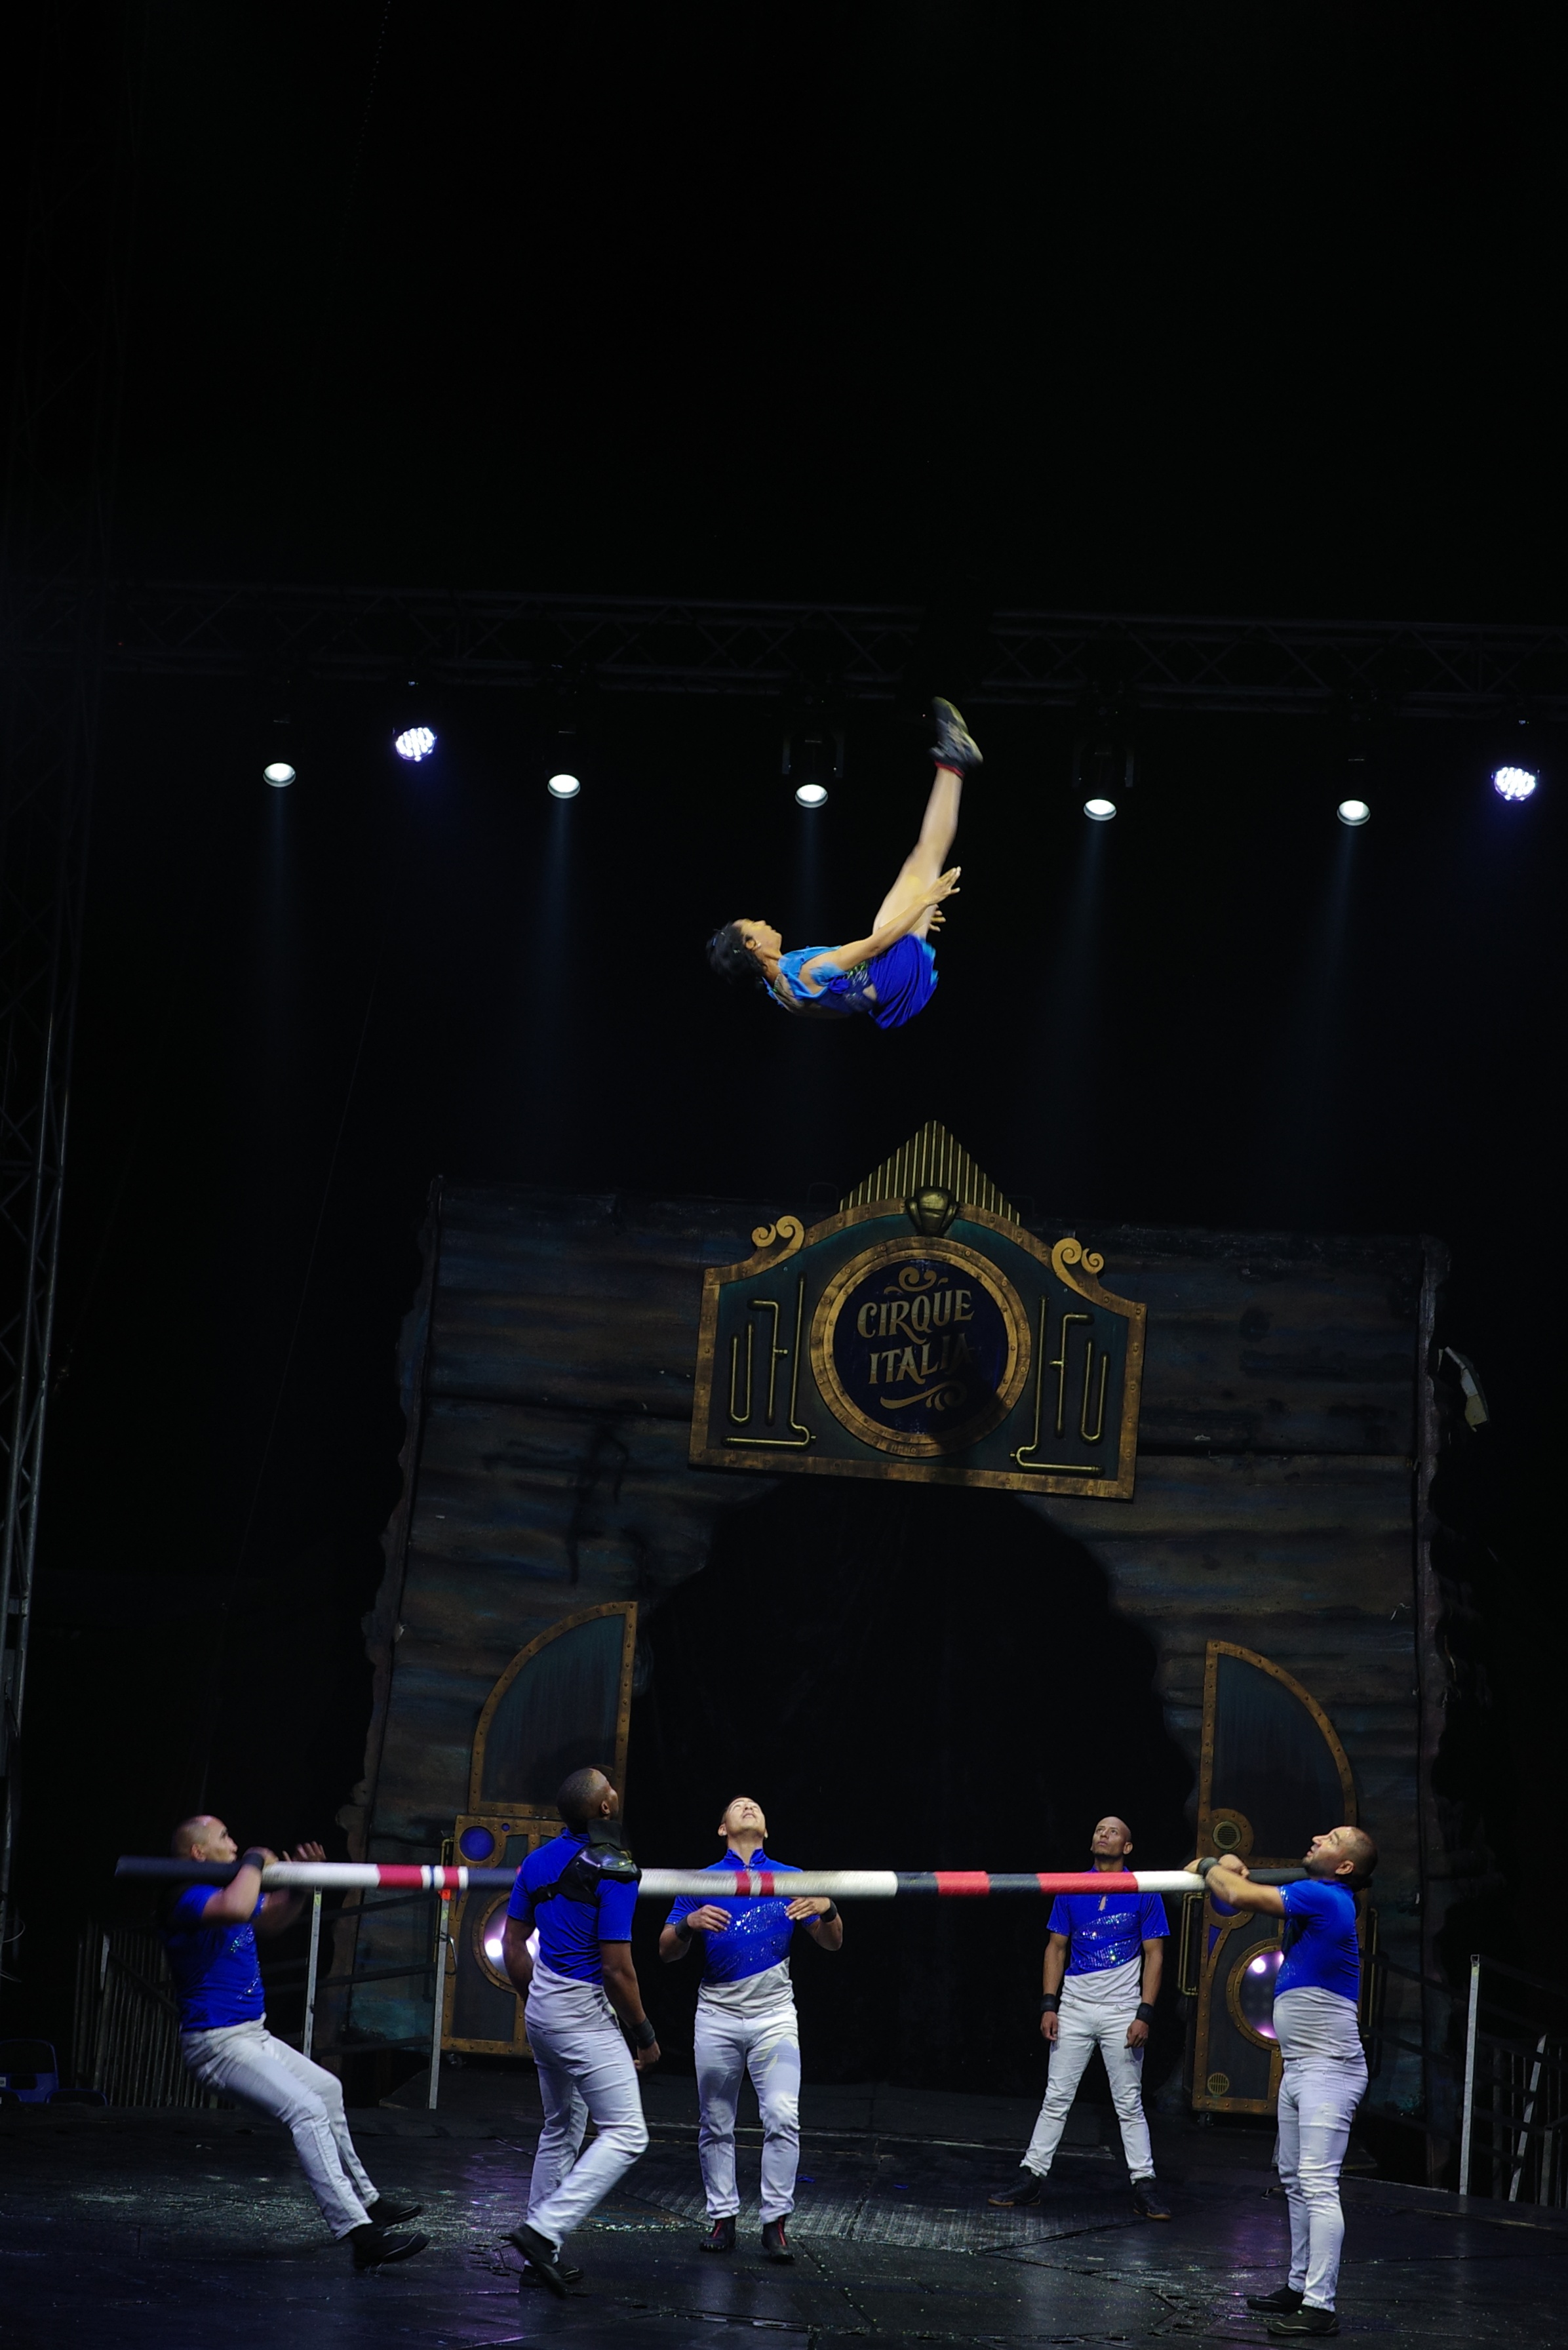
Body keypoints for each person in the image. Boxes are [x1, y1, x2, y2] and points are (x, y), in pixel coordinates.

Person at [159, 1816, 428, 2269]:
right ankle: (360, 2234)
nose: (235, 1842)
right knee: (305, 2111)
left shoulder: (226, 1890)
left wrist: (300, 1885)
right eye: (225, 1837)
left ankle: (369, 2200)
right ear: (199, 1853)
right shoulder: (185, 1897)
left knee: (328, 2090)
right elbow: (239, 1907)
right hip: (216, 2043)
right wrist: (255, 1860)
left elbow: (270, 1918)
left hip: (252, 2034)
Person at [1186, 1825, 1378, 2340]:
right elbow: (1234, 1890)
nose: (1315, 1837)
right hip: (1302, 2067)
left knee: (1317, 2184)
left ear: (1345, 1867)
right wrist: (1225, 1869)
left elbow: (1235, 1896)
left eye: (1331, 1838)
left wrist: (1212, 1865)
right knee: (1294, 2180)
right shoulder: (1318, 1895)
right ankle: (1298, 2285)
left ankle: (1320, 2306)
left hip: (1329, 2070)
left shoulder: (1326, 1897)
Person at [705, 698, 981, 1029]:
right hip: (888, 968)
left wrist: (915, 917)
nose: (762, 922)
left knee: (919, 867)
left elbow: (841, 1010)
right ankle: (955, 760)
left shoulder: (781, 992)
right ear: (752, 945)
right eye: (754, 925)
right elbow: (873, 947)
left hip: (886, 988)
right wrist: (924, 902)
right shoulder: (804, 972)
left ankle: (954, 762)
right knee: (925, 856)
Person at [659, 1795, 843, 2263]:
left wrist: (828, 1907)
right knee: (715, 2120)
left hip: (774, 2017)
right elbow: (665, 1951)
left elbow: (832, 1943)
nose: (747, 1805)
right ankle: (723, 2218)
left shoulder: (792, 1878)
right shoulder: (701, 1881)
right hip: (717, 2017)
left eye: (755, 1805)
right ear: (722, 1828)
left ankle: (775, 2221)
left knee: (782, 2115)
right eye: (737, 1805)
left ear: (766, 1829)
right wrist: (688, 1924)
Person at [501, 1766, 657, 2296]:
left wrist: (536, 2003)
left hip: (543, 2006)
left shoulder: (536, 1861)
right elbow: (617, 1971)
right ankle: (543, 2231)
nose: (617, 1792)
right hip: (581, 2011)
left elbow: (513, 1946)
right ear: (605, 1808)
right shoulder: (615, 1867)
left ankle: (538, 2256)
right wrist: (645, 2035)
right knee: (628, 2133)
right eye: (611, 1788)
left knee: (561, 2127)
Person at [989, 1814, 1172, 2221]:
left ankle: (1145, 2184)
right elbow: (1056, 1948)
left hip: (1122, 2011)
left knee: (1129, 2104)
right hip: (1074, 2007)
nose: (1103, 1834)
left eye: (1113, 1831)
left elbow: (1155, 1955)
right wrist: (1048, 2004)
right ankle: (1031, 2177)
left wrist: (1144, 2013)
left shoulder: (1143, 1889)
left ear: (1127, 1847)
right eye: (1099, 1830)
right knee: (1056, 2098)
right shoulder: (1072, 1886)